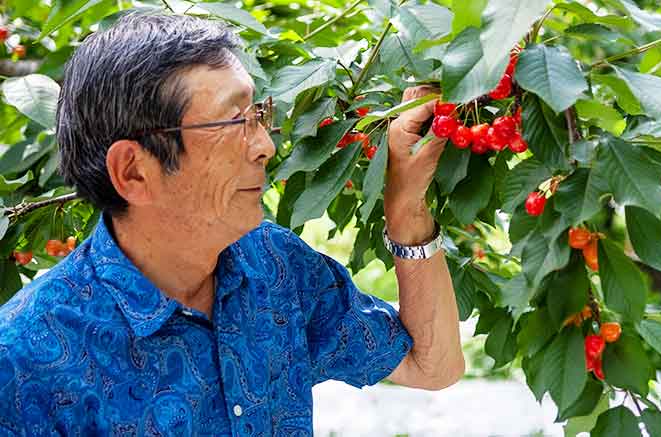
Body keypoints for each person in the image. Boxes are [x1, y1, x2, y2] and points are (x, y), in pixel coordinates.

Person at [0, 13, 463, 436]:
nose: (265, 145)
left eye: (257, 114)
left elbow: (433, 365)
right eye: (232, 121)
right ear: (135, 171)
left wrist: (406, 210)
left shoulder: (274, 267)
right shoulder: (24, 360)